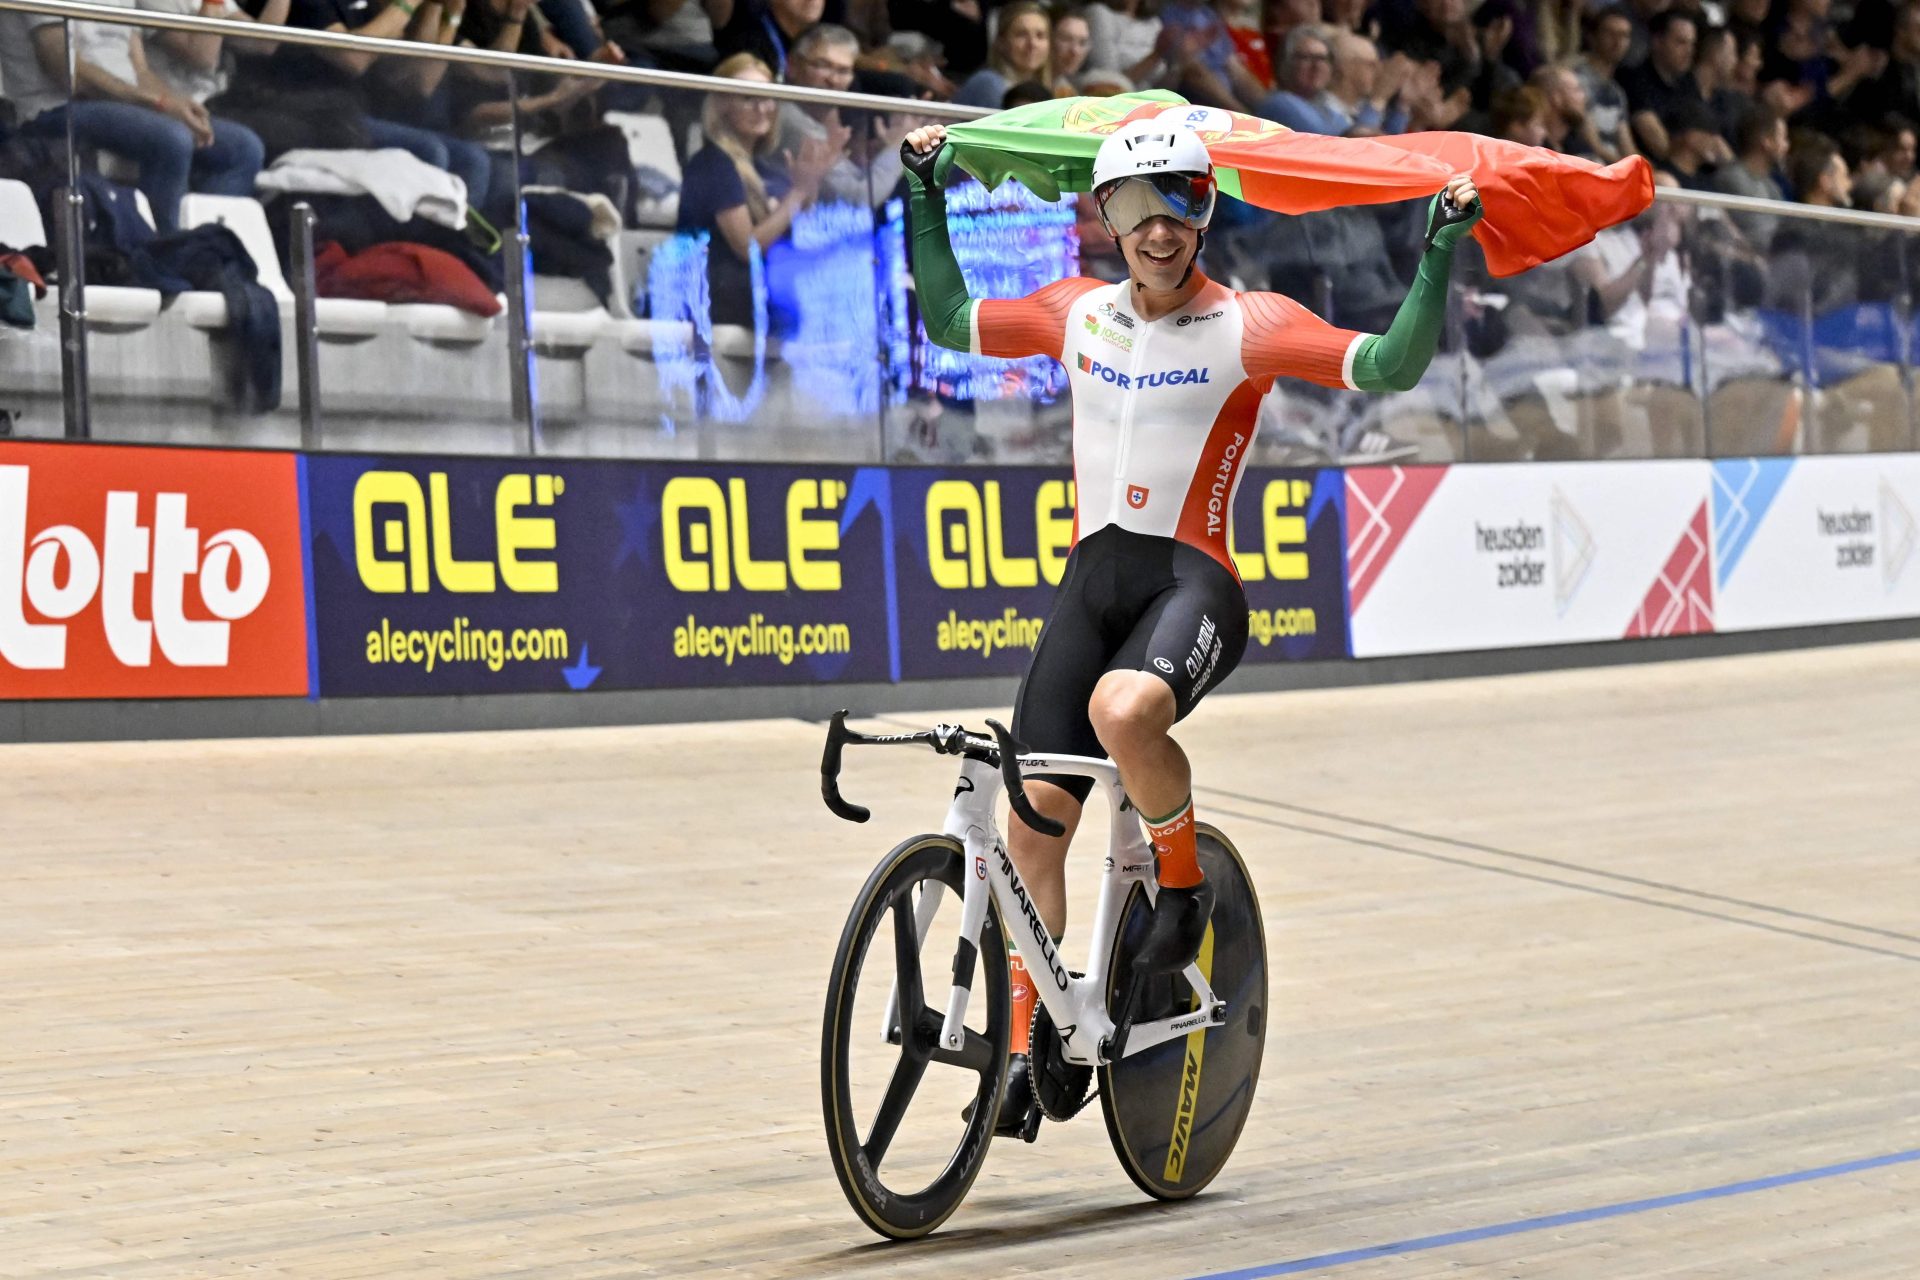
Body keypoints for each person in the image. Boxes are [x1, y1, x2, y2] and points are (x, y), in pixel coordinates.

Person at [898, 114, 1481, 1130]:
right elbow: (948, 315)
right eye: (1134, 206)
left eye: (1183, 204)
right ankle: (1038, 1048)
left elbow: (1386, 364)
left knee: (1126, 713)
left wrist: (1438, 247)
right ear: (1107, 217)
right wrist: (922, 185)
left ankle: (1183, 889)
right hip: (1091, 583)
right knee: (1035, 823)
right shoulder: (1074, 311)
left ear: (1209, 211)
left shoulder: (1248, 325)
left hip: (1192, 582)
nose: (1160, 228)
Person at [0, 0, 265, 233]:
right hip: (54, 108)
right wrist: (156, 103)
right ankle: (163, 256)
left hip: (124, 105)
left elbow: (139, 70)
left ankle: (208, 252)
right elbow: (67, 72)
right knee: (172, 138)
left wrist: (175, 104)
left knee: (242, 147)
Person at [677, 53, 836, 326]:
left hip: (752, 286)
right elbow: (747, 247)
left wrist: (810, 186)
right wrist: (797, 192)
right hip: (714, 292)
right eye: (748, 98)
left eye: (768, 97)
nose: (762, 108)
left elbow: (793, 230)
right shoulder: (714, 163)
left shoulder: (762, 166)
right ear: (722, 104)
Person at [953, 1, 1050, 106]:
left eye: (1040, 36)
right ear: (1001, 42)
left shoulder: (1047, 88)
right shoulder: (989, 84)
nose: (1032, 44)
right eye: (1021, 34)